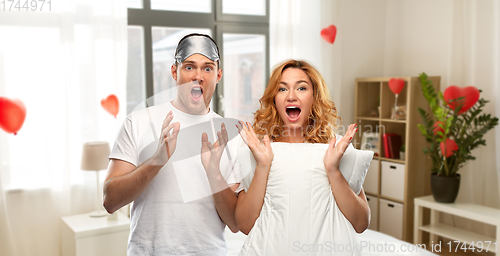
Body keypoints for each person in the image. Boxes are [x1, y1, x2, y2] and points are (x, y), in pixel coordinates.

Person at [103, 33, 242, 255]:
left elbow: (234, 223)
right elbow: (110, 201)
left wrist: (214, 172)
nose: (198, 76)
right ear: (174, 72)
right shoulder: (139, 121)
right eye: (189, 67)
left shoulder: (229, 136)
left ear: (218, 75)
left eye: (207, 68)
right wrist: (156, 161)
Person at [234, 60, 370, 255]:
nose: (291, 96)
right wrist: (263, 166)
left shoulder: (337, 146)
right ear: (274, 99)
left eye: (301, 88)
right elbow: (245, 225)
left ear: (314, 97)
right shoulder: (257, 148)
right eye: (282, 89)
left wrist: (333, 171)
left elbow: (361, 223)